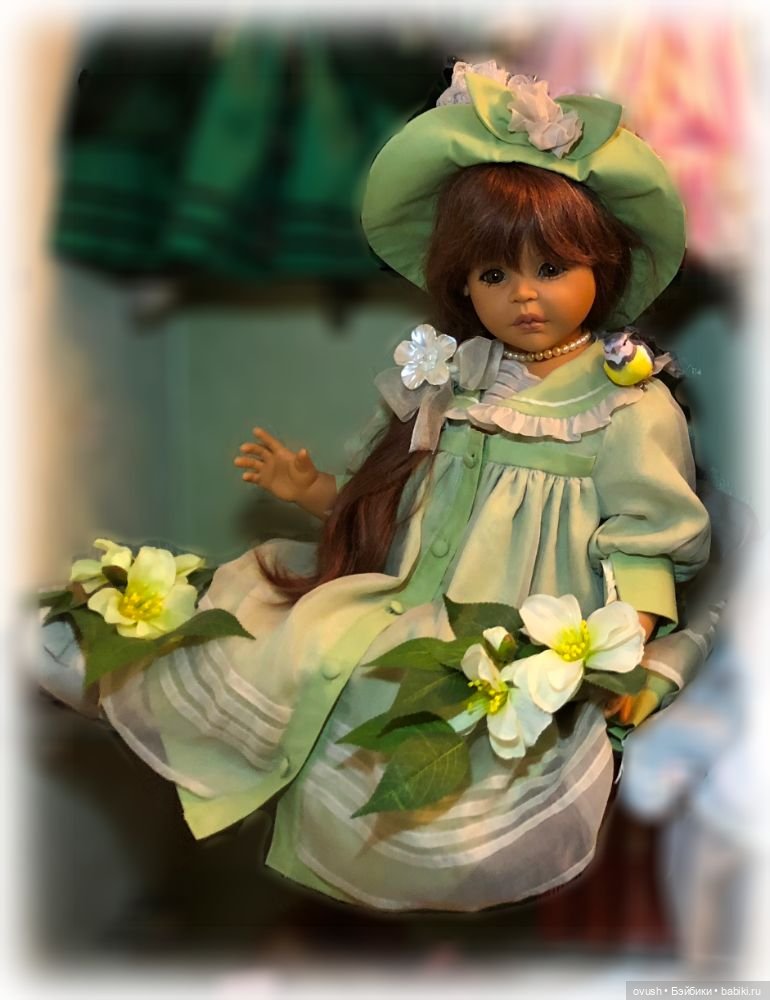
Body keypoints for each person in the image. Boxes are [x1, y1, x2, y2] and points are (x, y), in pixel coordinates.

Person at [50, 63, 712, 912]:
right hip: (400, 593)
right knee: (296, 639)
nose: (524, 296)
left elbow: (647, 539)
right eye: (494, 276)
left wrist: (628, 643)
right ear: (462, 284)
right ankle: (117, 664)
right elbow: (399, 503)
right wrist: (315, 490)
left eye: (552, 267)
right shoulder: (455, 378)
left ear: (603, 265)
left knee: (415, 717)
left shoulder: (625, 406)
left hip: (514, 629)